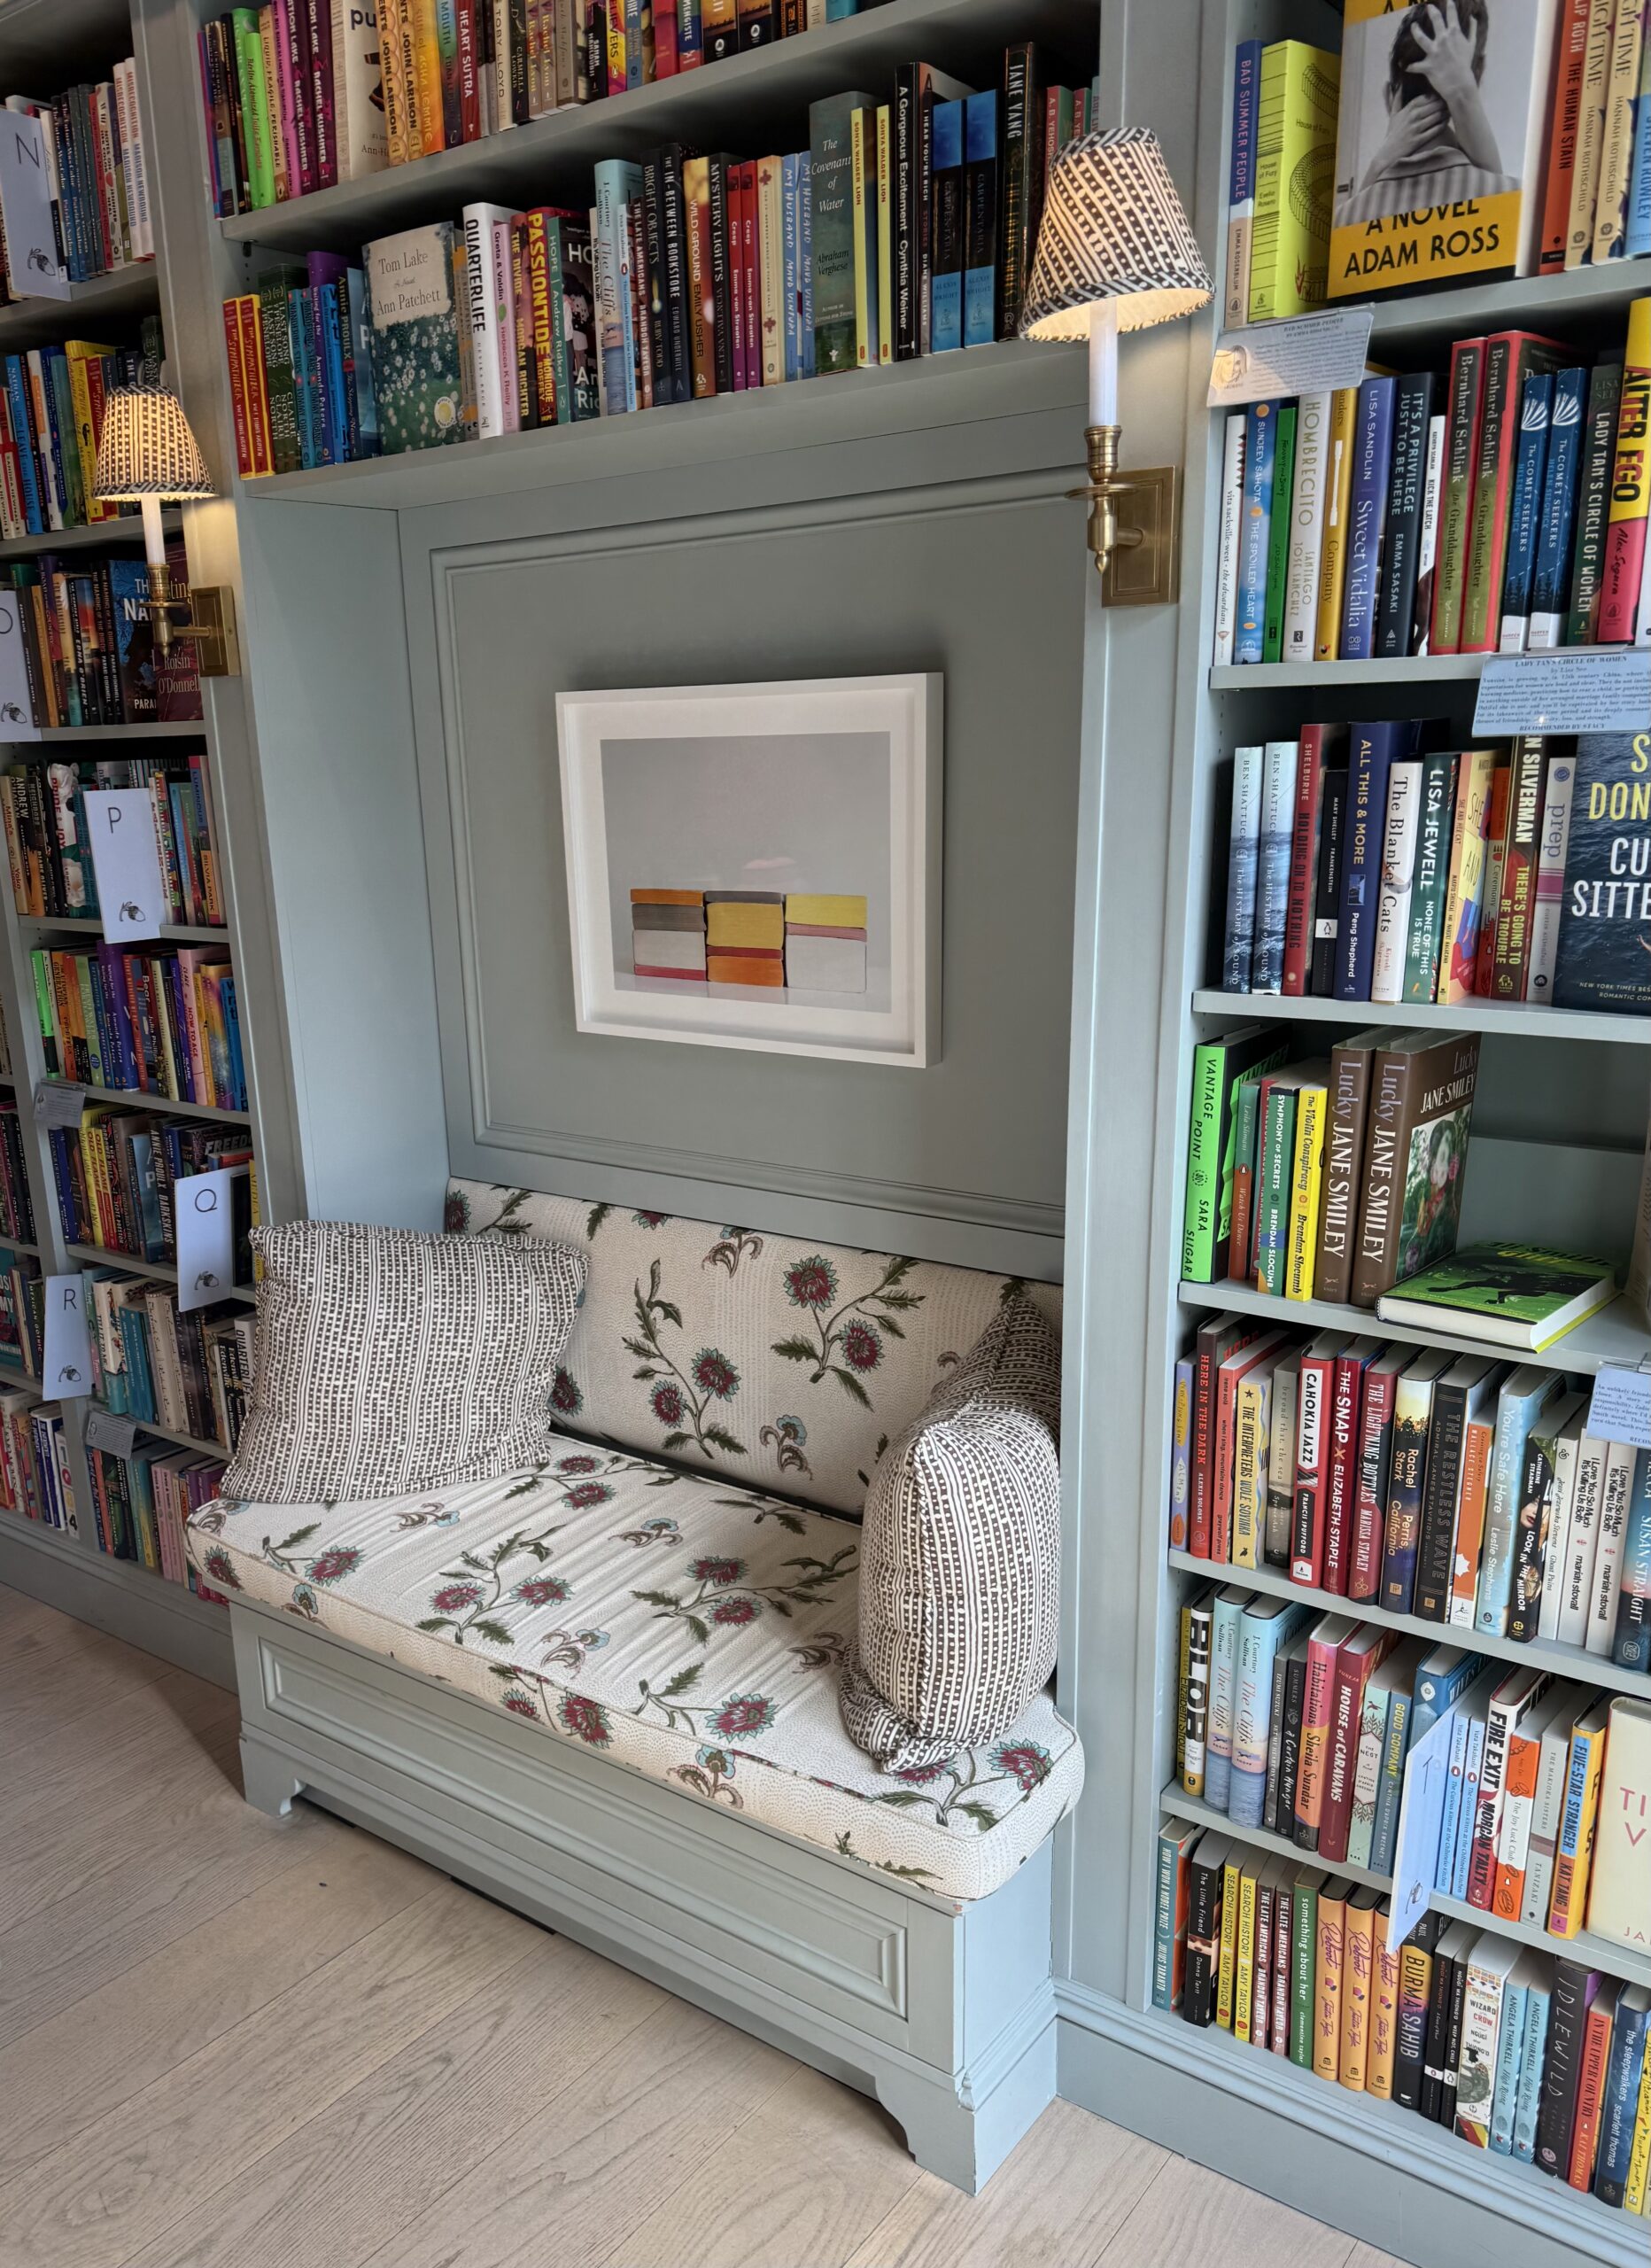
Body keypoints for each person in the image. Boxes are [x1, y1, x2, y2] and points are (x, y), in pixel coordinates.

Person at [1339, 0, 1517, 226]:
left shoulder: (1346, 218)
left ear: (1389, 95)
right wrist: (1464, 94)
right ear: (1478, 74)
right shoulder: (1512, 200)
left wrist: (1380, 161)